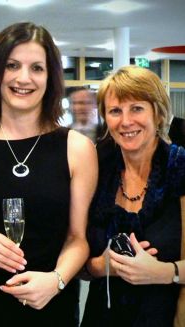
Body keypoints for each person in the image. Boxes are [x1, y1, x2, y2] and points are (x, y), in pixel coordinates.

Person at [0, 22, 97, 326]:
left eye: (37, 68)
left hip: (50, 307)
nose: (23, 78)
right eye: (12, 65)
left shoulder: (77, 148)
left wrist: (56, 280)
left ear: (50, 77)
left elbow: (78, 238)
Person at [81, 65, 185, 326]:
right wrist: (102, 266)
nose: (126, 121)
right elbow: (77, 255)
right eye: (115, 111)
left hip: (165, 317)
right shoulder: (96, 170)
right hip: (101, 317)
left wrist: (163, 272)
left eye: (137, 108)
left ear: (158, 114)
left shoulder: (180, 167)